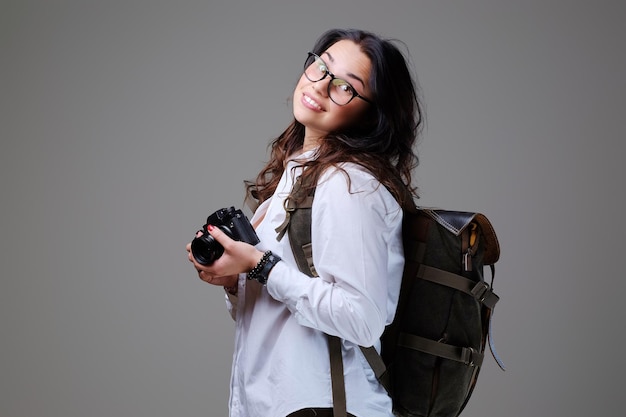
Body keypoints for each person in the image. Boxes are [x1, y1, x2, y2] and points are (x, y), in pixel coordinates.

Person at [186, 28, 423, 417]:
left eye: (346, 86)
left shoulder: (349, 184)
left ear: (372, 113)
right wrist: (234, 281)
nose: (322, 85)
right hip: (284, 403)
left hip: (328, 406)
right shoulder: (299, 175)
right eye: (320, 67)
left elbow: (361, 318)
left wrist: (260, 265)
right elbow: (276, 310)